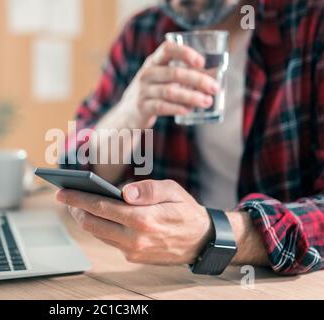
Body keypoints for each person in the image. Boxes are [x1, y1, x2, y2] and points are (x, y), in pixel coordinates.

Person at [57, 0, 324, 275]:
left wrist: (216, 233)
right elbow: (75, 164)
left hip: (283, 283)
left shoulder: (312, 24)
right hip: (168, 277)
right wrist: (129, 113)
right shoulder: (143, 31)